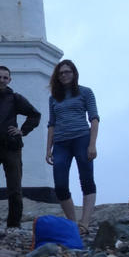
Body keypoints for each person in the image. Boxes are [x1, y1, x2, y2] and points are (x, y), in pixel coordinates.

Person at [45, 59, 99, 232]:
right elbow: (51, 124)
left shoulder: (85, 92)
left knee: (86, 180)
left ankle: (85, 222)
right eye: (61, 73)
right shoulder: (53, 97)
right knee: (60, 186)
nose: (64, 75)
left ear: (74, 73)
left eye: (67, 71)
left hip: (82, 138)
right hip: (61, 143)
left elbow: (94, 118)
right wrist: (48, 148)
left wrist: (92, 144)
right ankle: (73, 223)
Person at [0, 66, 41, 228]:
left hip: (12, 147)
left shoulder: (15, 98)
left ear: (9, 80)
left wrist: (22, 131)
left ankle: (14, 224)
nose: (2, 80)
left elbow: (35, 114)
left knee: (15, 187)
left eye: (5, 77)